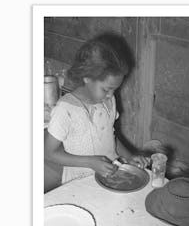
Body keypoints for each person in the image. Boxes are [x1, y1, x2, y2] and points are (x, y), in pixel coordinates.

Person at [45, 34, 148, 184]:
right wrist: (90, 162)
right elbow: (49, 153)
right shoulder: (66, 110)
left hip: (110, 176)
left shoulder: (108, 102)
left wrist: (129, 156)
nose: (111, 95)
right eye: (106, 89)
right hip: (78, 183)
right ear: (87, 77)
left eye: (115, 89)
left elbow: (109, 136)